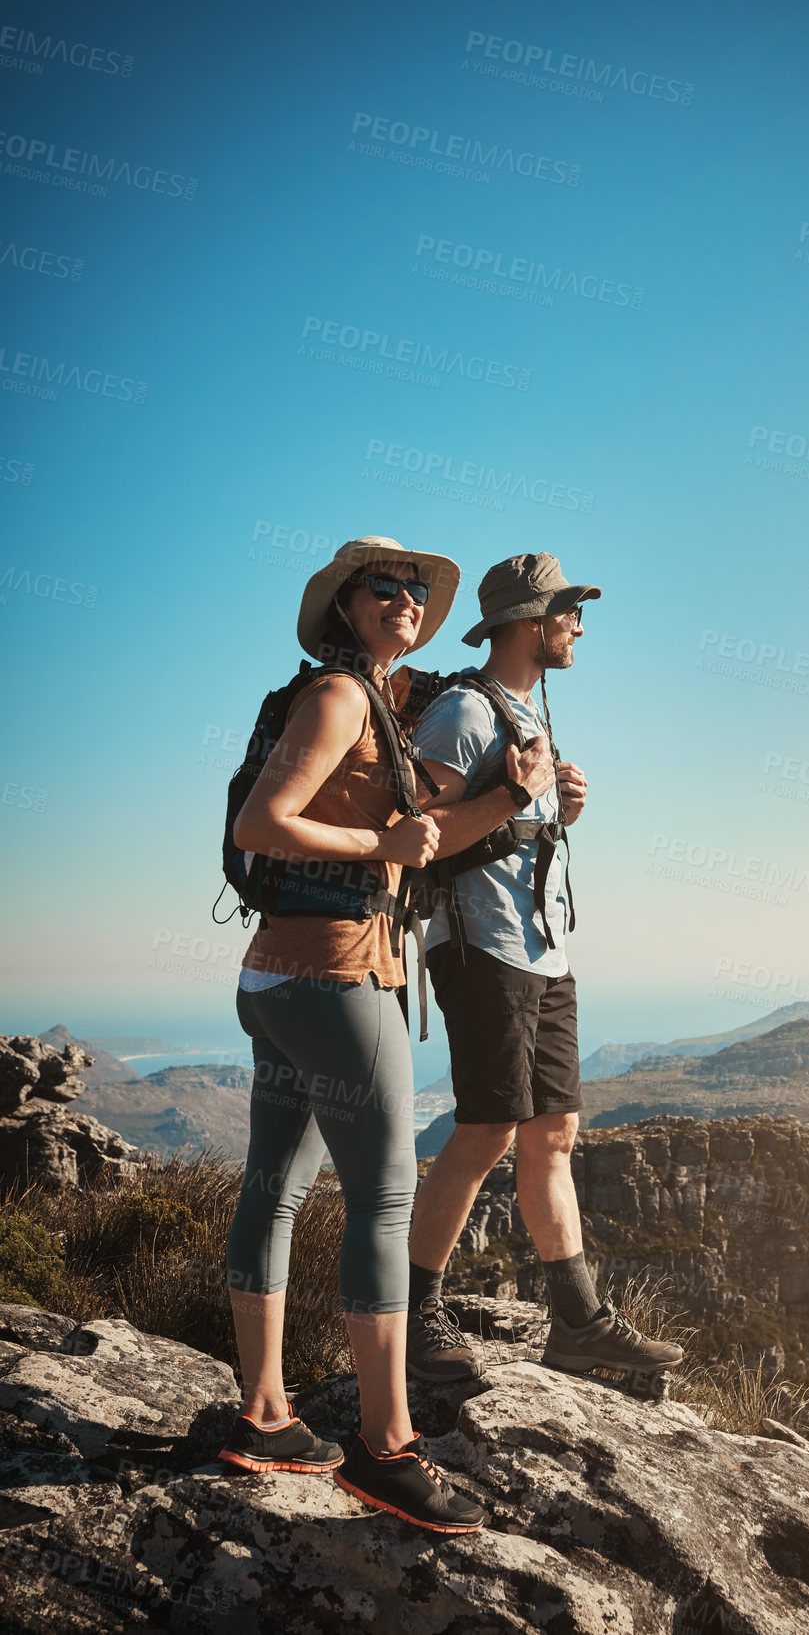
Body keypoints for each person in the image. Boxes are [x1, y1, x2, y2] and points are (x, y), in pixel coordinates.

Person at [219, 534, 486, 1533]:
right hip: (338, 979)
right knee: (385, 1199)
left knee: (275, 1189)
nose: (407, 602)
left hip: (278, 977)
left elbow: (421, 837)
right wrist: (380, 842)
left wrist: (507, 794)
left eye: (417, 592)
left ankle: (265, 1414)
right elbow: (261, 821)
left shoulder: (368, 704)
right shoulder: (334, 698)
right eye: (387, 588)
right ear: (344, 604)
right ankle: (386, 1448)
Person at [406, 551, 683, 1386]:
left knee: (553, 1133)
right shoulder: (461, 712)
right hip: (481, 946)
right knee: (488, 1129)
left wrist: (559, 811)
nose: (579, 626)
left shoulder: (529, 712)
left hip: (544, 949)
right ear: (530, 621)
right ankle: (416, 1312)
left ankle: (577, 1323)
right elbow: (418, 836)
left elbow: (512, 832)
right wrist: (509, 800)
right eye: (569, 612)